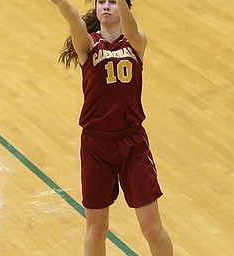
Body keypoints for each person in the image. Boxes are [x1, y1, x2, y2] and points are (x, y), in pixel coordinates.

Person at [50, 0, 173, 255]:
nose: (106, 6)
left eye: (113, 2)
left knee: (152, 228)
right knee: (96, 230)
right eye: (101, 2)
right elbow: (75, 20)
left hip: (132, 143)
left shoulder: (136, 42)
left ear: (125, 7)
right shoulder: (89, 45)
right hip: (96, 145)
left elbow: (130, 31)